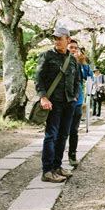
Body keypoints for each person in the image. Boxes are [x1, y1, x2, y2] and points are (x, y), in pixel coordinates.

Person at [35, 26, 80, 183]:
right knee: (51, 135)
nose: (56, 41)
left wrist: (75, 96)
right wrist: (43, 97)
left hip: (69, 103)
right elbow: (38, 78)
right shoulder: (46, 56)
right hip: (53, 103)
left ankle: (57, 166)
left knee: (63, 136)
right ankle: (47, 171)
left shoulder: (73, 59)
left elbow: (77, 81)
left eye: (60, 38)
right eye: (55, 38)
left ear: (68, 40)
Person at [67, 40, 93, 166]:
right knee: (60, 132)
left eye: (75, 48)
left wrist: (83, 62)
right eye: (71, 47)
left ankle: (72, 155)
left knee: (74, 130)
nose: (73, 50)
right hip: (62, 101)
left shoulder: (80, 64)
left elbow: (89, 76)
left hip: (77, 101)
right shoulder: (61, 60)